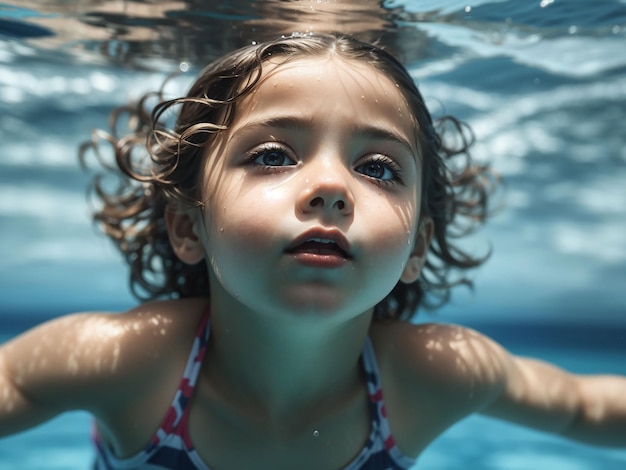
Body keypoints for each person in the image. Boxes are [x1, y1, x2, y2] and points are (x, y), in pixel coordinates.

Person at [0, 33, 624, 470]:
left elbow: (581, 408)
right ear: (189, 226)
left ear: (416, 246)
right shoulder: (128, 364)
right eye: (272, 155)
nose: (331, 187)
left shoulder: (432, 376)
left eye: (377, 168)